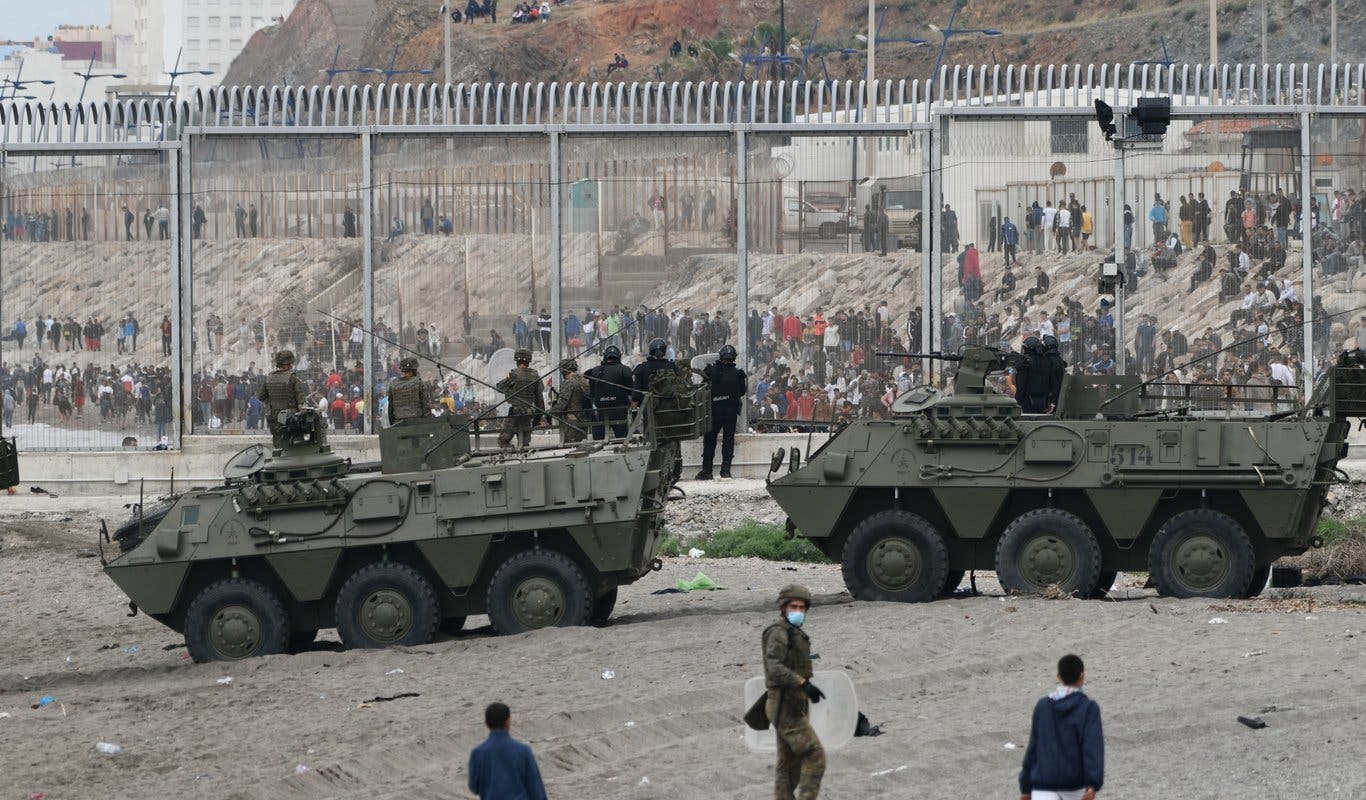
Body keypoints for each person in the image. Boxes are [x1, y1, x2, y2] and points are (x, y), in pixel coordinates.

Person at [764, 584, 826, 800]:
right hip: (784, 706)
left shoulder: (793, 633)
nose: (798, 611)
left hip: (793, 704)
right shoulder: (779, 633)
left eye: (802, 607)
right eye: (793, 607)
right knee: (814, 754)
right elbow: (774, 667)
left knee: (788, 763)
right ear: (783, 607)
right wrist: (803, 683)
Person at [1018, 654, 1104, 800]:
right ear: (1082, 676)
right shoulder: (1088, 708)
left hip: (1042, 783)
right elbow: (1092, 748)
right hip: (1074, 785)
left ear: (1058, 676)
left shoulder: (1043, 706)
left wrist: (1025, 786)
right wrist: (1093, 784)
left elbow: (1033, 747)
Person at [467, 702, 547, 800]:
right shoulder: (523, 751)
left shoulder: (477, 753)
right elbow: (536, 790)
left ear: (486, 723)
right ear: (508, 722)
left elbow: (474, 787)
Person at [697, 344, 746, 479]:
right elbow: (742, 391)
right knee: (728, 440)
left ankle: (707, 471)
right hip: (731, 412)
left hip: (714, 411)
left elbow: (702, 387)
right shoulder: (738, 374)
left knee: (710, 440)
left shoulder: (711, 370)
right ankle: (725, 470)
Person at [258, 350, 323, 446]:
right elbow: (301, 400)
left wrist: (271, 404)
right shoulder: (293, 378)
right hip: (290, 417)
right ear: (287, 364)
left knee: (277, 442)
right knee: (293, 443)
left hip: (273, 417)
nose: (292, 366)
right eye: (291, 363)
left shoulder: (269, 377)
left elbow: (261, 396)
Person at [496, 348, 544, 449]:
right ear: (528, 361)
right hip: (528, 413)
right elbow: (539, 399)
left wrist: (508, 381)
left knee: (503, 441)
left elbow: (500, 387)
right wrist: (538, 417)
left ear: (517, 361)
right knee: (524, 443)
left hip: (514, 412)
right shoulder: (535, 375)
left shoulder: (513, 374)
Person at [587, 344, 634, 439]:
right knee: (622, 440)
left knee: (598, 441)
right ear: (619, 356)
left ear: (605, 356)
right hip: (619, 411)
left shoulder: (595, 371)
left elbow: (591, 394)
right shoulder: (624, 370)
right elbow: (632, 391)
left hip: (599, 412)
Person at [549, 358, 591, 443]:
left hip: (572, 421)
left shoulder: (568, 382)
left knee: (570, 446)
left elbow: (562, 403)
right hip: (584, 419)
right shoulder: (584, 381)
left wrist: (550, 413)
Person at [387, 356, 433, 425]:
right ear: (415, 370)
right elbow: (426, 406)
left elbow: (390, 409)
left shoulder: (393, 385)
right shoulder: (420, 383)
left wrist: (393, 425)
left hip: (398, 424)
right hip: (417, 423)